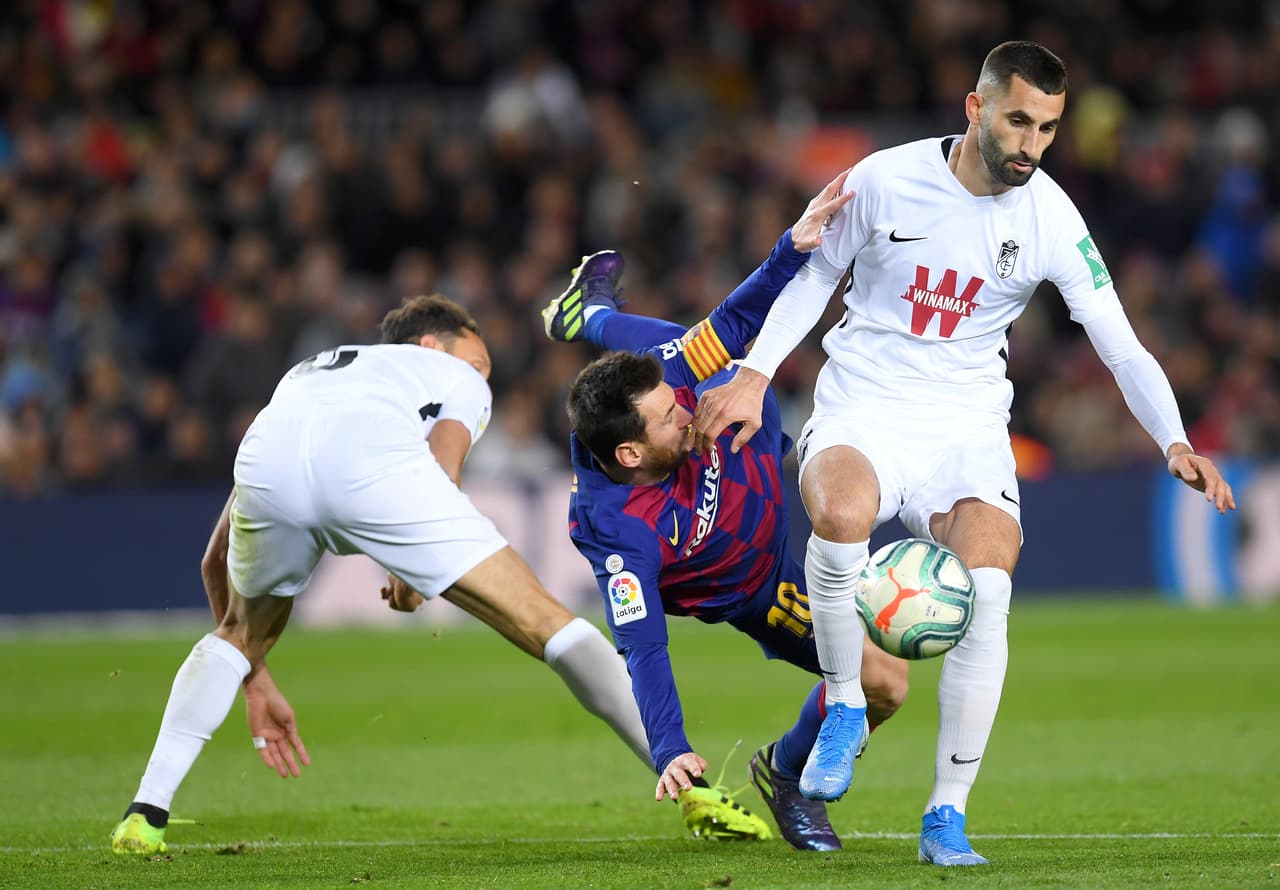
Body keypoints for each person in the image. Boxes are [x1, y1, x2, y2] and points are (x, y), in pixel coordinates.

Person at [689, 41, 1236, 866]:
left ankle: (946, 813)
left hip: (968, 424)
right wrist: (756, 374)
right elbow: (812, 278)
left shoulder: (1050, 216)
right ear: (975, 108)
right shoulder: (881, 180)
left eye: (1048, 128)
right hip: (866, 402)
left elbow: (1119, 344)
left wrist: (1175, 439)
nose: (1032, 143)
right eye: (1019, 120)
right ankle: (843, 708)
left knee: (988, 585)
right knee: (840, 512)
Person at [110, 294, 681, 854]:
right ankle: (689, 783)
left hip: (264, 460)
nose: (483, 374)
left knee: (237, 634)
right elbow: (443, 465)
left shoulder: (310, 374)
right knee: (548, 622)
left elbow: (213, 561)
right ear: (433, 346)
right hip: (375, 473)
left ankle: (145, 812)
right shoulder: (452, 376)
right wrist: (410, 564)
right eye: (478, 361)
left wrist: (252, 674)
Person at [542, 173, 909, 851]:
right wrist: (669, 748)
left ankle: (588, 314)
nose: (685, 405)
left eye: (675, 398)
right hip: (761, 586)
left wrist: (790, 247)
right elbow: (643, 645)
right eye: (664, 417)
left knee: (687, 345)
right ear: (628, 455)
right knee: (884, 683)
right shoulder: (617, 530)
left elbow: (737, 325)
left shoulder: (667, 381)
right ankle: (786, 772)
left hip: (764, 461)